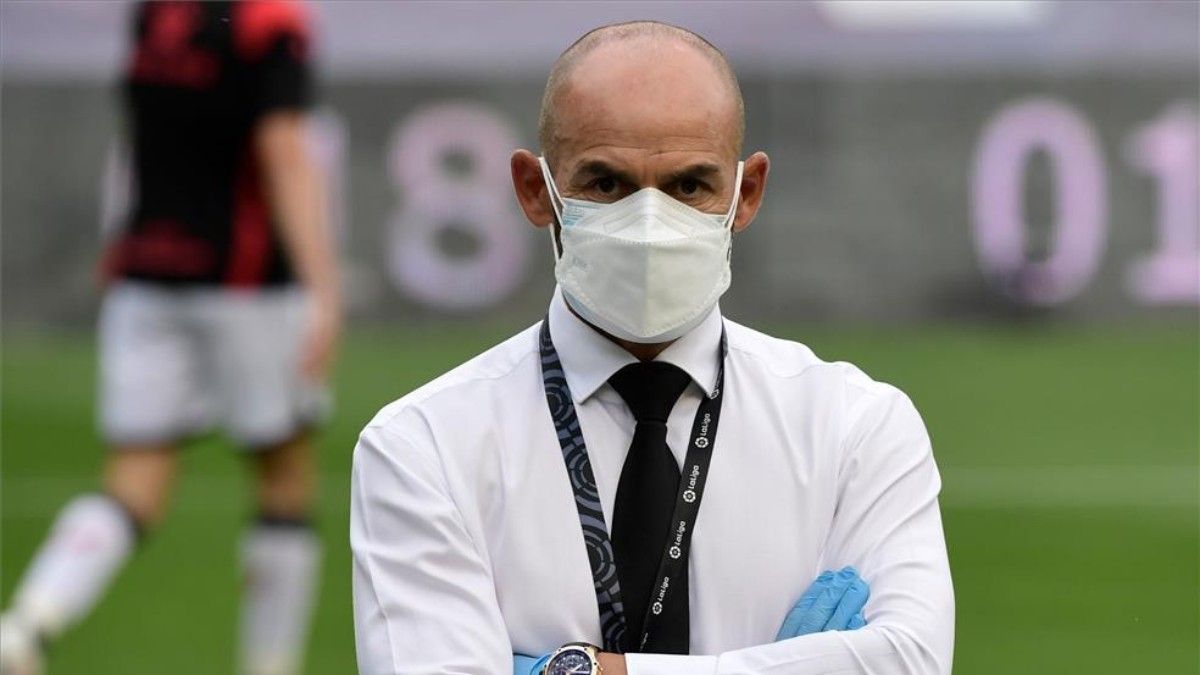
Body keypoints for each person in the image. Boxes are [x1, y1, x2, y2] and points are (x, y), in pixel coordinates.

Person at [350, 20, 953, 675]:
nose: (648, 224)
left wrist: (592, 669)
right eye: (606, 183)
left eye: (689, 185)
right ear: (535, 190)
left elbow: (911, 660)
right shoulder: (424, 447)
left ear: (745, 194)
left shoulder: (853, 427)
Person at [0, 2, 339, 674]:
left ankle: (24, 624)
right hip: (246, 284)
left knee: (133, 480)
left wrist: (121, 239)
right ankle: (269, 665)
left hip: (147, 270)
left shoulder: (157, 13)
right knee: (284, 475)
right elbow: (283, 151)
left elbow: (138, 137)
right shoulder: (271, 22)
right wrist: (323, 285)